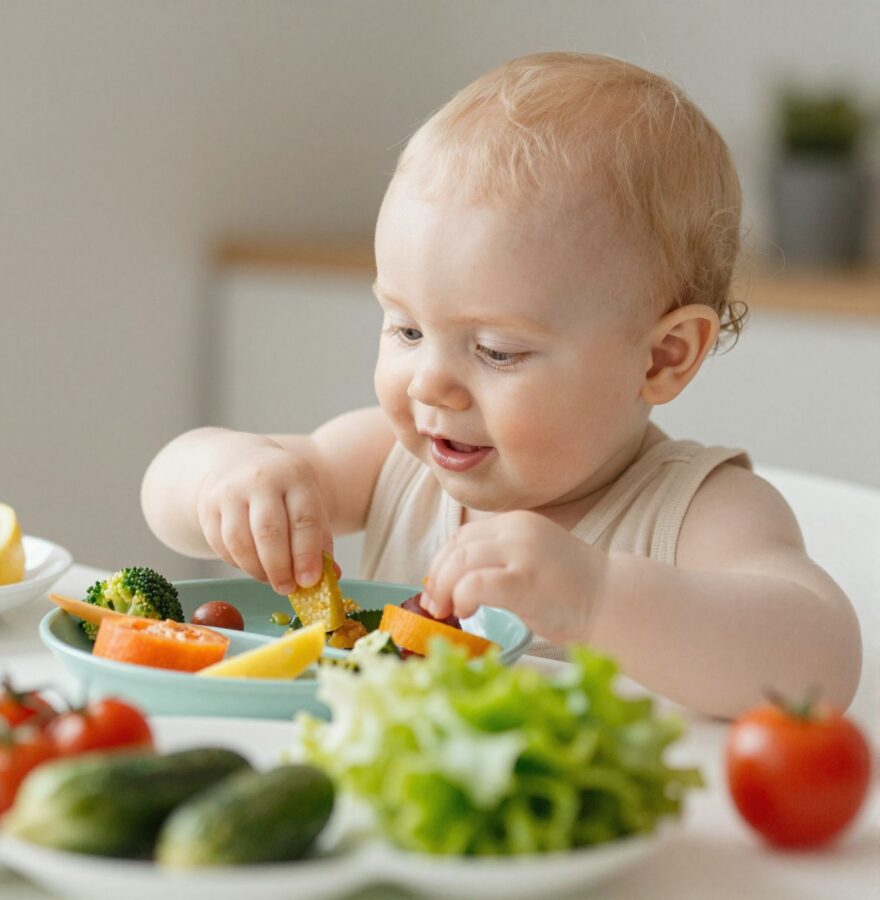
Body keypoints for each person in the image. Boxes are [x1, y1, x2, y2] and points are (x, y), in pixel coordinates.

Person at [140, 52, 861, 719]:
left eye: (495, 350)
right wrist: (225, 480)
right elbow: (164, 494)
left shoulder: (700, 511)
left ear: (662, 357)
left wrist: (599, 597)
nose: (430, 383)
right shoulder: (395, 466)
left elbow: (821, 664)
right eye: (406, 330)